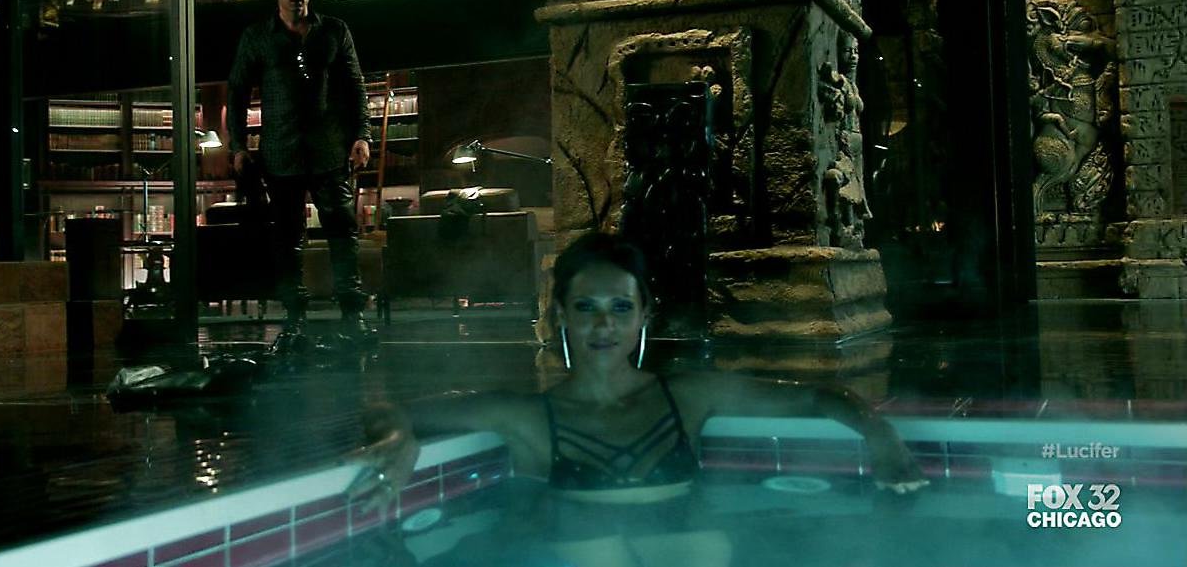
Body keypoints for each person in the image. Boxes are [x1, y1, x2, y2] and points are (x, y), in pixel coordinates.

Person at [349, 232, 928, 566]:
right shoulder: (529, 417)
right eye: (586, 308)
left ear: (645, 315)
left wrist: (881, 436)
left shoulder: (688, 397)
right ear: (561, 315)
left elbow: (820, 397)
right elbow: (389, 408)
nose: (603, 325)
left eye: (620, 308)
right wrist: (399, 438)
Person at [227, 0, 373, 344]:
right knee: (286, 238)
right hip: (281, 153)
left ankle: (352, 316)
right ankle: (295, 318)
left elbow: (355, 87)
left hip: (329, 150)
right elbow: (237, 92)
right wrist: (238, 146)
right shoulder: (257, 37)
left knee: (342, 232)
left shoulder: (334, 30)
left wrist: (362, 135)